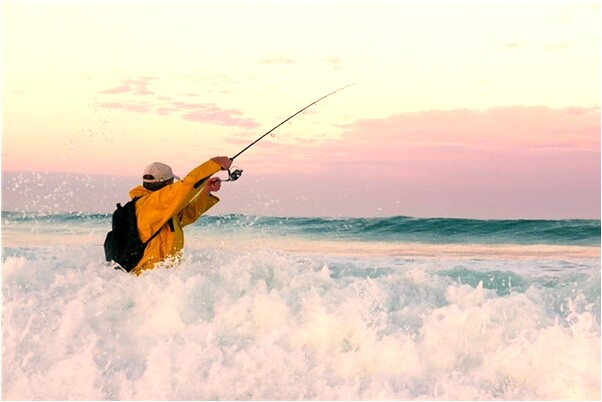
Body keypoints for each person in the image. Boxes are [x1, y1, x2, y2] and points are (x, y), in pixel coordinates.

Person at [127, 156, 232, 275]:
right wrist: (214, 164)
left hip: (158, 278)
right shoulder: (153, 203)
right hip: (148, 277)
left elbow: (186, 215)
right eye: (171, 184)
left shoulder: (157, 209)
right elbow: (187, 185)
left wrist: (205, 192)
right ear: (166, 184)